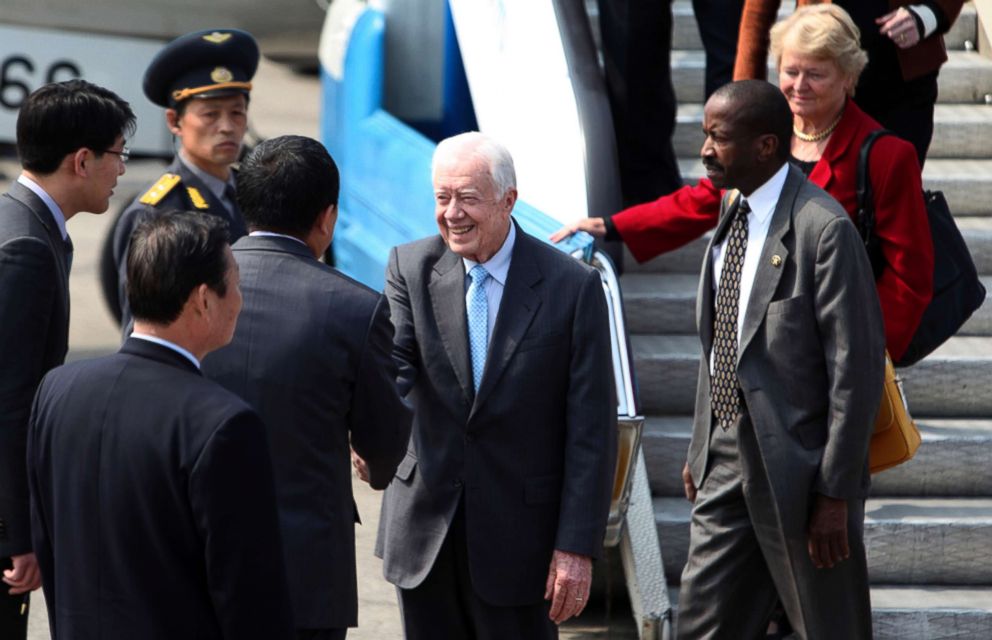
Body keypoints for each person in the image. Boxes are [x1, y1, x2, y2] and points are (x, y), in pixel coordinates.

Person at [552, 4, 933, 365]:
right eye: (790, 71)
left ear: (848, 77)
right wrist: (612, 225)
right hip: (751, 337)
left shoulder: (886, 156)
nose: (799, 86)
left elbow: (909, 278)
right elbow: (704, 200)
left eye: (815, 74)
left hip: (830, 347)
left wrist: (862, 352)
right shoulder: (764, 134)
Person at [375, 132, 618, 639]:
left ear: (509, 200)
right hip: (427, 533)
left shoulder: (572, 288)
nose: (452, 213)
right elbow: (392, 371)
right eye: (442, 198)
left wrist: (576, 546)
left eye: (467, 198)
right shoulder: (409, 267)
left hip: (522, 542)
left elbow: (591, 430)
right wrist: (371, 430)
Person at [676, 79, 885, 638]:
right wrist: (703, 446)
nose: (705, 150)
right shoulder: (731, 211)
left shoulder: (825, 229)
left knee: (826, 625)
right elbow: (719, 344)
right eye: (705, 135)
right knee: (702, 623)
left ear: (766, 146)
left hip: (801, 473)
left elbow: (855, 374)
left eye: (719, 138)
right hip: (727, 457)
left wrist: (836, 492)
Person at [27, 211, 294, 639]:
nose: (241, 300)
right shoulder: (223, 425)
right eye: (237, 286)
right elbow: (250, 597)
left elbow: (50, 546)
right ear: (203, 300)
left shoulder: (57, 392)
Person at [201, 135, 413, 640]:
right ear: (328, 218)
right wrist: (373, 465)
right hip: (306, 572)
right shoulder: (356, 308)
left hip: (196, 551)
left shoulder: (188, 287)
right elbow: (384, 444)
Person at [0, 79, 134, 639]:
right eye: (118, 156)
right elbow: (9, 403)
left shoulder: (25, 221)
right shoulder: (26, 248)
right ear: (82, 160)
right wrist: (17, 537)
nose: (122, 171)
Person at [111, 28, 259, 328]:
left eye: (237, 113)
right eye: (210, 115)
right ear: (174, 121)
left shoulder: (256, 195)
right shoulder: (155, 212)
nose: (227, 127)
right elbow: (141, 329)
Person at [734, 0, 965, 167]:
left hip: (902, 81)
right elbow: (758, 11)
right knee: (819, 195)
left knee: (894, 194)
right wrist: (745, 96)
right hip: (820, 80)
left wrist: (929, 14)